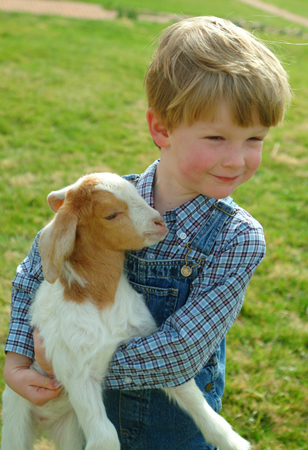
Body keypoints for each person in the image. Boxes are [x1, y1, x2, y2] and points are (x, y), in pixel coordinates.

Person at [4, 16, 291, 450]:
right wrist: (19, 359)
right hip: (87, 425)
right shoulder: (103, 199)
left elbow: (182, 351)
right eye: (216, 137)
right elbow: (36, 269)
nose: (237, 159)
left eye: (255, 139)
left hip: (171, 432)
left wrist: (70, 363)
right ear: (162, 129)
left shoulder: (237, 240)